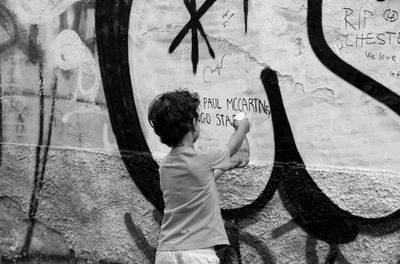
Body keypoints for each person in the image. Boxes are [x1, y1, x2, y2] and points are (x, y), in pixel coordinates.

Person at [148, 89, 250, 264]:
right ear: (193, 124)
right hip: (197, 254)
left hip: (166, 252)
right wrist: (242, 127)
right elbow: (232, 146)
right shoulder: (204, 159)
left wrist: (227, 166)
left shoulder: (165, 165)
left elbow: (200, 183)